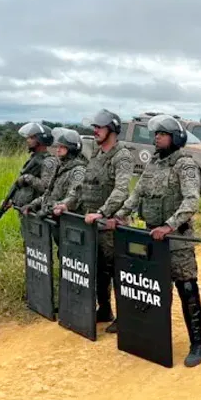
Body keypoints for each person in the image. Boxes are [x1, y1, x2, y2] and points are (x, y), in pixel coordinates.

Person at [113, 115, 201, 368]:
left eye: (162, 134)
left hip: (177, 237)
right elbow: (137, 193)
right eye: (155, 134)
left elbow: (191, 201)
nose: (156, 138)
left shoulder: (184, 165)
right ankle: (154, 338)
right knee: (155, 290)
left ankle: (197, 344)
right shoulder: (153, 163)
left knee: (187, 288)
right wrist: (120, 215)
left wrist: (170, 224)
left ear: (175, 138)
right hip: (152, 237)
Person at [77, 110, 134, 333]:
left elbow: (121, 190)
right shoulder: (96, 154)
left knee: (118, 270)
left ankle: (124, 316)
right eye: (95, 127)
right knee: (100, 269)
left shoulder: (122, 156)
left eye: (99, 127)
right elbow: (84, 185)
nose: (95, 131)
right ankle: (105, 308)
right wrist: (67, 203)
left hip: (112, 225)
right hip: (95, 224)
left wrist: (103, 212)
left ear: (112, 129)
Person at [23, 128, 87, 248]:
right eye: (58, 146)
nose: (58, 150)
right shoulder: (61, 168)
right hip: (59, 220)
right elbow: (50, 193)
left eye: (62, 147)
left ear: (72, 149)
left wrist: (51, 209)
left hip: (71, 223)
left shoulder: (78, 170)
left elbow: (74, 196)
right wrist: (34, 204)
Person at [10, 122, 58, 209]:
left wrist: (28, 178)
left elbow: (46, 188)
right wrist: (11, 200)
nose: (28, 140)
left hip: (37, 209)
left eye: (32, 138)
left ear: (41, 140)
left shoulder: (48, 161)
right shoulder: (34, 158)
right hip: (26, 208)